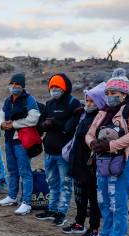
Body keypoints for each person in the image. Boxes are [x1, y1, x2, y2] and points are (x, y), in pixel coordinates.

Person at [84, 68, 129, 236]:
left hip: (125, 160)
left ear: (124, 93)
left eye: (114, 93)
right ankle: (105, 235)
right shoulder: (103, 111)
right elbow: (89, 133)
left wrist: (110, 145)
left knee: (118, 202)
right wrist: (93, 143)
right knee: (104, 199)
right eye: (108, 93)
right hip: (103, 162)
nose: (110, 96)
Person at [35, 74, 83, 227]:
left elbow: (74, 127)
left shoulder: (73, 103)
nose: (54, 90)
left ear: (65, 88)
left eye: (58, 87)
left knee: (65, 184)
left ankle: (61, 212)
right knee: (52, 182)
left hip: (64, 153)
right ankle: (52, 209)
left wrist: (56, 123)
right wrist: (45, 125)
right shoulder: (49, 104)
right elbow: (40, 124)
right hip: (49, 150)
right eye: (52, 87)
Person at [63, 82, 105, 236]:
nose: (88, 104)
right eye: (86, 100)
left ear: (100, 102)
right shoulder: (83, 115)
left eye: (92, 101)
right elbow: (70, 131)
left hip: (91, 165)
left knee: (93, 199)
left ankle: (94, 228)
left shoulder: (100, 118)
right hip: (77, 163)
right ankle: (79, 223)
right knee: (80, 197)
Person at [0, 73, 40, 216]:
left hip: (22, 141)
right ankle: (12, 196)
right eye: (13, 84)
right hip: (9, 140)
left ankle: (26, 203)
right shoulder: (7, 101)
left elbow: (34, 118)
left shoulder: (29, 100)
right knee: (12, 170)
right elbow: (1, 116)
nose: (15, 87)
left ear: (23, 86)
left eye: (18, 84)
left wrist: (14, 124)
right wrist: (2, 124)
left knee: (25, 171)